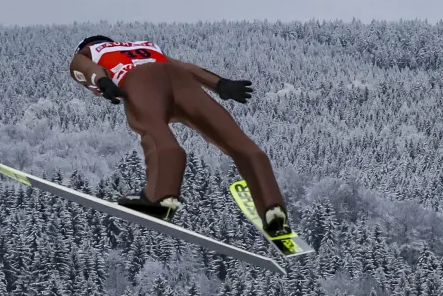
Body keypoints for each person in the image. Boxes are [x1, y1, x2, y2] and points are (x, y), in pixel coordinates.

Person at [69, 35, 291, 236]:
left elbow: (83, 69)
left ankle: (161, 198)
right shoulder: (144, 46)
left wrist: (102, 81)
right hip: (182, 81)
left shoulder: (91, 52)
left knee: (156, 132)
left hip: (141, 82)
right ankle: (273, 210)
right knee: (238, 142)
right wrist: (219, 83)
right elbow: (185, 67)